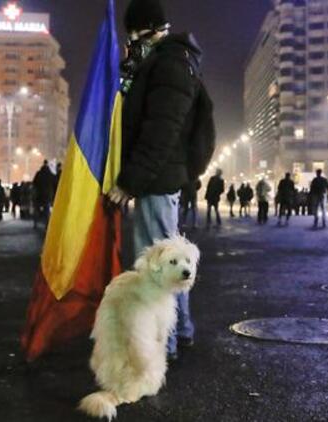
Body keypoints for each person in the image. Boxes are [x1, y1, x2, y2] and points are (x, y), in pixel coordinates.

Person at [106, 0, 212, 361]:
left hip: (157, 178)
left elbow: (160, 131)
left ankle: (160, 346)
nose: (132, 43)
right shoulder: (168, 62)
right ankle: (179, 333)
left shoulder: (170, 64)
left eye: (134, 36)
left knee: (156, 265)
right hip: (160, 176)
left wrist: (129, 182)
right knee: (167, 262)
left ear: (149, 30)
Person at [32, 161, 55, 229]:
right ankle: (47, 224)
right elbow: (55, 182)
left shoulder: (38, 173)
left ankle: (35, 223)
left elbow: (34, 183)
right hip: (47, 195)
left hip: (39, 195)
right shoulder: (50, 174)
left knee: (36, 209)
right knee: (46, 210)